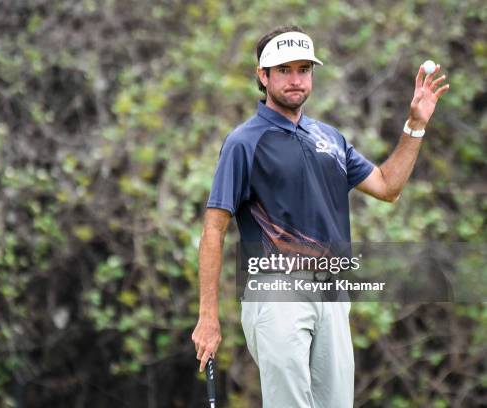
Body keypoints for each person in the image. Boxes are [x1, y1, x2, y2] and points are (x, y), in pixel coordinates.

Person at [191, 25, 449, 407]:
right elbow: (214, 230)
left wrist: (416, 125)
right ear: (263, 77)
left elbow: (387, 187)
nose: (296, 80)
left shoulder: (330, 137)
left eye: (304, 69)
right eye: (284, 70)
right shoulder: (244, 142)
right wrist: (208, 317)